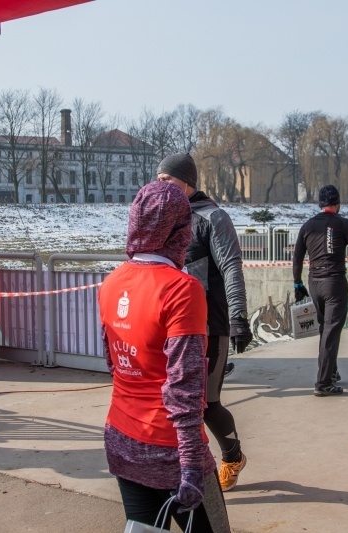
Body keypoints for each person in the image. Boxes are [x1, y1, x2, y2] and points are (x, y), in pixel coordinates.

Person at [98, 181, 230, 532]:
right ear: (179, 231)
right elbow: (185, 388)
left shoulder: (112, 282)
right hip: (171, 449)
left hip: (122, 438)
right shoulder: (181, 290)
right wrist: (190, 465)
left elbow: (114, 364)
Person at [155, 153, 251, 492]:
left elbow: (231, 268)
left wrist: (239, 317)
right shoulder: (166, 218)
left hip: (212, 325)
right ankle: (188, 468)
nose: (160, 185)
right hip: (176, 326)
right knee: (177, 402)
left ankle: (232, 455)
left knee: (207, 403)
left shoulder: (214, 217)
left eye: (167, 179)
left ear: (187, 182)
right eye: (158, 179)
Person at [292, 185, 348, 396]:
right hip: (334, 283)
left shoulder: (308, 225)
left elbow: (297, 257)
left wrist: (297, 283)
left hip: (314, 283)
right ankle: (323, 384)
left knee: (325, 329)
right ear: (337, 204)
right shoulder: (343, 224)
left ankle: (332, 371)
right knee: (331, 332)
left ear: (320, 204)